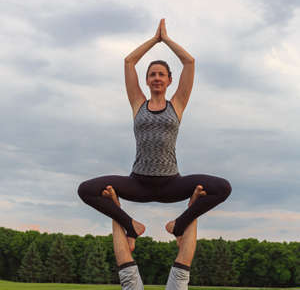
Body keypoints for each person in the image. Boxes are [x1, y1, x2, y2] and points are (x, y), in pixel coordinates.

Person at [78, 19, 231, 251]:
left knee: (223, 187)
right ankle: (131, 226)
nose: (157, 78)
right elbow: (129, 61)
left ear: (170, 80)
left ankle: (179, 225)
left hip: (171, 183)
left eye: (161, 74)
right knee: (85, 190)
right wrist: (153, 40)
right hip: (138, 182)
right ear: (147, 81)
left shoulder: (177, 104)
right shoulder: (138, 104)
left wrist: (166, 40)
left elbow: (189, 62)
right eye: (152, 75)